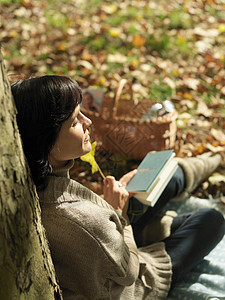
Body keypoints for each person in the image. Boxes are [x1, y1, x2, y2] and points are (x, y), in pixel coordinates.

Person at [11, 75, 225, 300]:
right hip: (140, 281)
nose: (88, 122)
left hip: (106, 241)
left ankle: (211, 161)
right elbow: (129, 271)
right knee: (211, 219)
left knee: (163, 179)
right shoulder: (83, 221)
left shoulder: (35, 182)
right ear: (47, 142)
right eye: (75, 121)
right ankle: (212, 163)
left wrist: (111, 207)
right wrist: (119, 215)